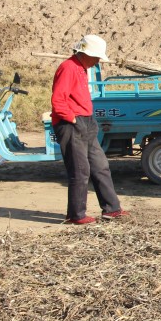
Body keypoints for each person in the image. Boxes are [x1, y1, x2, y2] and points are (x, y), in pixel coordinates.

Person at [51, 34, 128, 224]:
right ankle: (76, 215)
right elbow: (58, 101)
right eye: (96, 57)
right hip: (71, 123)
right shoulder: (68, 68)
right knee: (80, 170)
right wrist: (73, 119)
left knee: (100, 165)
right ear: (85, 53)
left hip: (85, 121)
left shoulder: (81, 68)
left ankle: (112, 208)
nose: (98, 62)